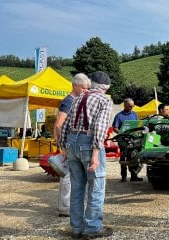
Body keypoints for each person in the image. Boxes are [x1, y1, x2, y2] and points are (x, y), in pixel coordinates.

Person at [59, 71, 114, 239]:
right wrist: (96, 154)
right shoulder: (105, 100)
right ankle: (92, 229)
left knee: (77, 188)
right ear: (106, 87)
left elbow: (65, 124)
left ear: (91, 83)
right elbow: (100, 128)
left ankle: (76, 228)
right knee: (96, 188)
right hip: (89, 144)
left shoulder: (77, 98)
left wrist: (64, 147)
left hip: (72, 142)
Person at [53, 73, 90, 217]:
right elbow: (58, 125)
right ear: (75, 85)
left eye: (87, 88)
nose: (86, 91)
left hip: (72, 143)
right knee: (67, 176)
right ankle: (64, 207)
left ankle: (69, 205)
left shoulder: (77, 100)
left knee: (72, 176)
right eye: (83, 88)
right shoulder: (69, 101)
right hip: (68, 144)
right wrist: (61, 146)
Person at [112, 98, 142, 182]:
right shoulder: (119, 116)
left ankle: (134, 176)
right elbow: (115, 127)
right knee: (123, 157)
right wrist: (121, 133)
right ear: (125, 106)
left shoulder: (134, 114)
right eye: (130, 106)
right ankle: (124, 177)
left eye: (133, 106)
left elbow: (138, 125)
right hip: (123, 140)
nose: (132, 107)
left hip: (133, 139)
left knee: (133, 157)